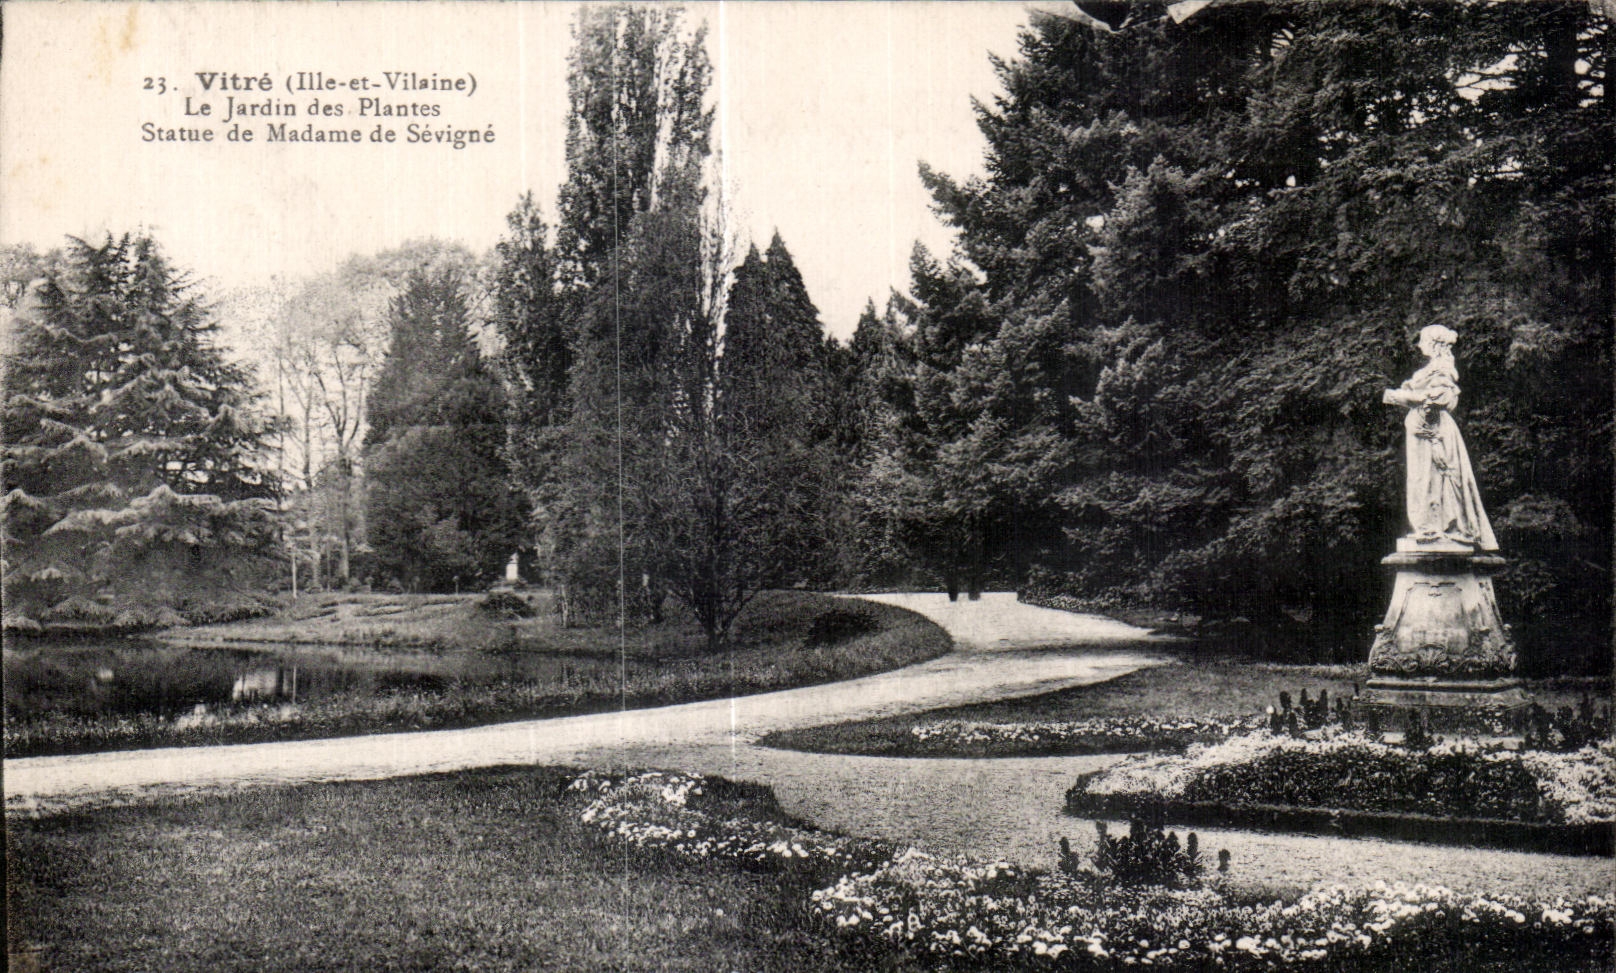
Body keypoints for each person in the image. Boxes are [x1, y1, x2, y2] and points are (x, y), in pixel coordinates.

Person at [1382, 325, 1498, 550]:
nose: (1419, 345)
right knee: (1422, 480)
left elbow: (1440, 399)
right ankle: (1429, 528)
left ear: (1434, 344)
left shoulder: (1442, 367)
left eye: (1423, 340)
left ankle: (1441, 528)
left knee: (1434, 477)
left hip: (1434, 431)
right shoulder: (1432, 368)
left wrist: (1399, 396)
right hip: (1423, 434)